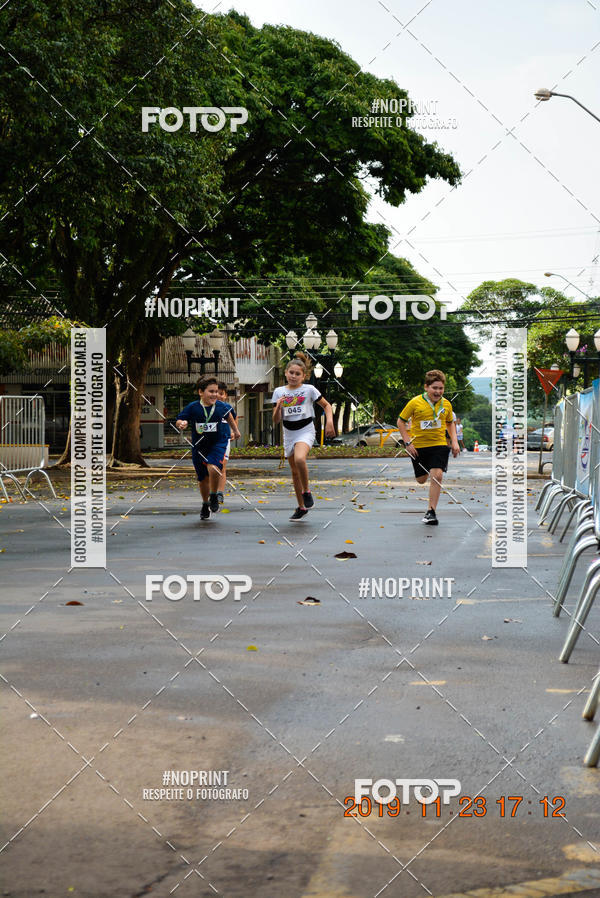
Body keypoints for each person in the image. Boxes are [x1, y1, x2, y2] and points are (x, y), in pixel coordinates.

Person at [272, 352, 335, 520]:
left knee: (300, 459)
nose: (293, 376)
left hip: (305, 429)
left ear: (304, 376)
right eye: (291, 373)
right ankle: (301, 507)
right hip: (288, 432)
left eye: (297, 373)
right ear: (286, 373)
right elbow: (276, 420)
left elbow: (327, 406)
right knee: (294, 472)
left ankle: (306, 491)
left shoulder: (309, 390)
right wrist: (278, 407)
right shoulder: (279, 392)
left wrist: (329, 422)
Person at [397, 369, 460, 526]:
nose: (438, 392)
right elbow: (400, 421)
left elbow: (450, 422)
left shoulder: (446, 404)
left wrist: (454, 441)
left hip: (439, 445)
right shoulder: (414, 402)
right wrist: (407, 442)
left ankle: (431, 511)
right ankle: (425, 472)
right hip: (418, 447)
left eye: (441, 388)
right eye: (435, 388)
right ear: (426, 387)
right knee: (421, 480)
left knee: (437, 475)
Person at [176, 376, 241, 520]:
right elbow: (180, 419)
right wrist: (182, 423)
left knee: (214, 467)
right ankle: (205, 504)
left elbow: (229, 416)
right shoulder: (193, 407)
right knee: (202, 478)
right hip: (199, 446)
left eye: (216, 392)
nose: (214, 395)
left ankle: (213, 496)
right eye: (211, 391)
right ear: (201, 392)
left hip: (218, 442)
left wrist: (235, 431)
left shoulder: (221, 406)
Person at [216, 382, 237, 506]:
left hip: (224, 440)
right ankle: (211, 492)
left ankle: (220, 493)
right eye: (215, 392)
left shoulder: (227, 408)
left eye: (221, 393)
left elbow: (234, 418)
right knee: (210, 468)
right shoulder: (206, 407)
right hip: (209, 442)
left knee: (222, 467)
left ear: (225, 396)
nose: (218, 395)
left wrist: (234, 431)